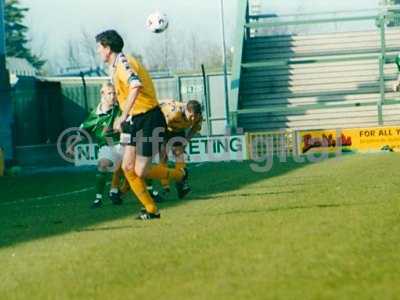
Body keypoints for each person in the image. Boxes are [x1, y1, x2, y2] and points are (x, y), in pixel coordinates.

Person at [95, 29, 188, 220]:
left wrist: (123, 115)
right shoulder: (114, 67)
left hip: (148, 119)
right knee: (128, 167)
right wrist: (123, 117)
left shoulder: (123, 62)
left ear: (107, 48)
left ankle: (180, 175)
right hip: (133, 121)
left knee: (141, 170)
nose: (98, 51)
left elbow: (135, 85)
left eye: (99, 47)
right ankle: (151, 210)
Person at [66, 82, 127, 207]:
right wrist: (71, 146)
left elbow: (125, 126)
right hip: (107, 146)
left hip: (123, 143)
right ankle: (98, 199)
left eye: (115, 93)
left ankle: (117, 191)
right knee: (102, 164)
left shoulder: (120, 109)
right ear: (102, 94)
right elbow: (82, 133)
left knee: (132, 166)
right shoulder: (94, 115)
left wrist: (118, 129)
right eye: (110, 93)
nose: (113, 96)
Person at [150, 99, 203, 199]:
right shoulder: (174, 112)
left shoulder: (198, 117)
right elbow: (160, 111)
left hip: (178, 130)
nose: (193, 119)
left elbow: (193, 130)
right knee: (164, 154)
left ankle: (181, 184)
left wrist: (185, 142)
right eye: (191, 116)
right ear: (186, 110)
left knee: (179, 153)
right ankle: (165, 185)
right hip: (164, 125)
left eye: (195, 116)